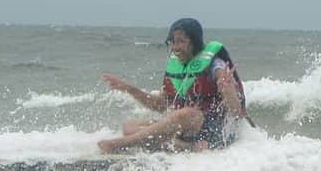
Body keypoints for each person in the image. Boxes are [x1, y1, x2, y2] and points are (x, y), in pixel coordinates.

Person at [98, 17, 248, 153]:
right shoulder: (177, 66)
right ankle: (186, 147)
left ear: (194, 42)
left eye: (181, 41)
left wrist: (227, 89)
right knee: (129, 127)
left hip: (214, 132)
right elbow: (160, 105)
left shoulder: (216, 65)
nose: (175, 47)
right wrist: (130, 89)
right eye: (173, 41)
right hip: (188, 130)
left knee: (188, 113)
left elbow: (235, 112)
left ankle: (121, 144)